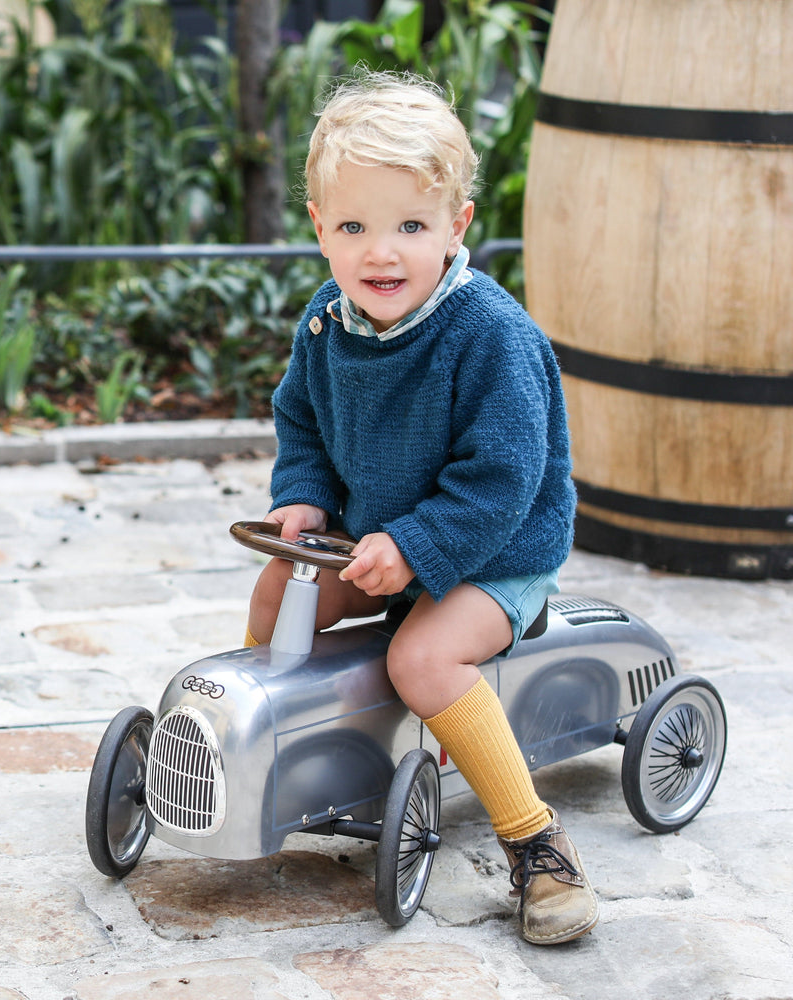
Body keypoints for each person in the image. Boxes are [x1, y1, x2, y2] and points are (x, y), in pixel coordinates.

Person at [245, 71, 598, 945]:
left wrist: (413, 546)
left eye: (411, 227)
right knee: (277, 589)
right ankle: (271, 756)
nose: (382, 254)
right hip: (381, 536)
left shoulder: (490, 335)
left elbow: (502, 479)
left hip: (494, 550)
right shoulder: (329, 322)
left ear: (456, 227)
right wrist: (303, 499)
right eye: (356, 228)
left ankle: (536, 842)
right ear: (321, 229)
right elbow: (303, 420)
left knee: (425, 660)